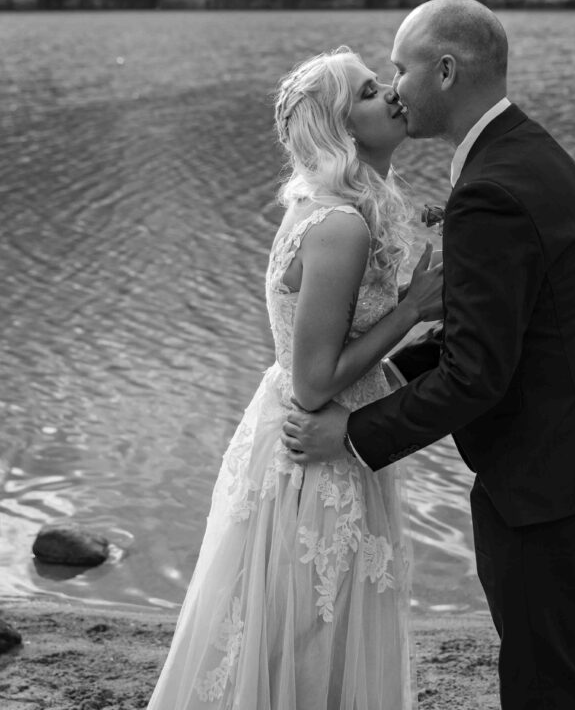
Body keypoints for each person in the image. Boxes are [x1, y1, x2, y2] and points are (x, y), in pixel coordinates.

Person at [284, 0, 575, 710]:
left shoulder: (491, 189)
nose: (393, 88)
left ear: (445, 70)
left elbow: (477, 374)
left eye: (399, 69)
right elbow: (492, 332)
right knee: (565, 648)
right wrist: (384, 371)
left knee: (543, 675)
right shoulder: (521, 151)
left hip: (547, 472)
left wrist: (352, 432)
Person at [147, 46, 443, 710]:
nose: (392, 93)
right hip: (316, 456)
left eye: (383, 81)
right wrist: (412, 313)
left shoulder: (343, 206)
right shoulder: (337, 225)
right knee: (308, 645)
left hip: (329, 445)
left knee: (309, 641)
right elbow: (313, 383)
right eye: (369, 91)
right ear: (340, 129)